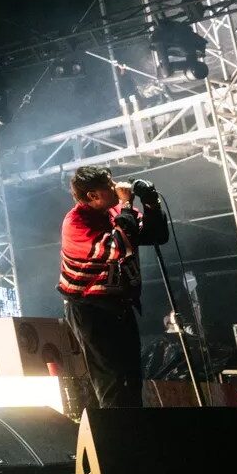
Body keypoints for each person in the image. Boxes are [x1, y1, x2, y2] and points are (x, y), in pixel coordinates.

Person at [57, 166, 169, 408]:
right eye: (108, 185)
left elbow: (156, 235)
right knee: (113, 381)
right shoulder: (76, 223)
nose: (115, 186)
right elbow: (119, 247)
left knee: (132, 379)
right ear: (92, 196)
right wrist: (127, 204)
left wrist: (151, 203)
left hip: (120, 305)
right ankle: (116, 429)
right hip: (90, 308)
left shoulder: (114, 211)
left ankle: (135, 428)